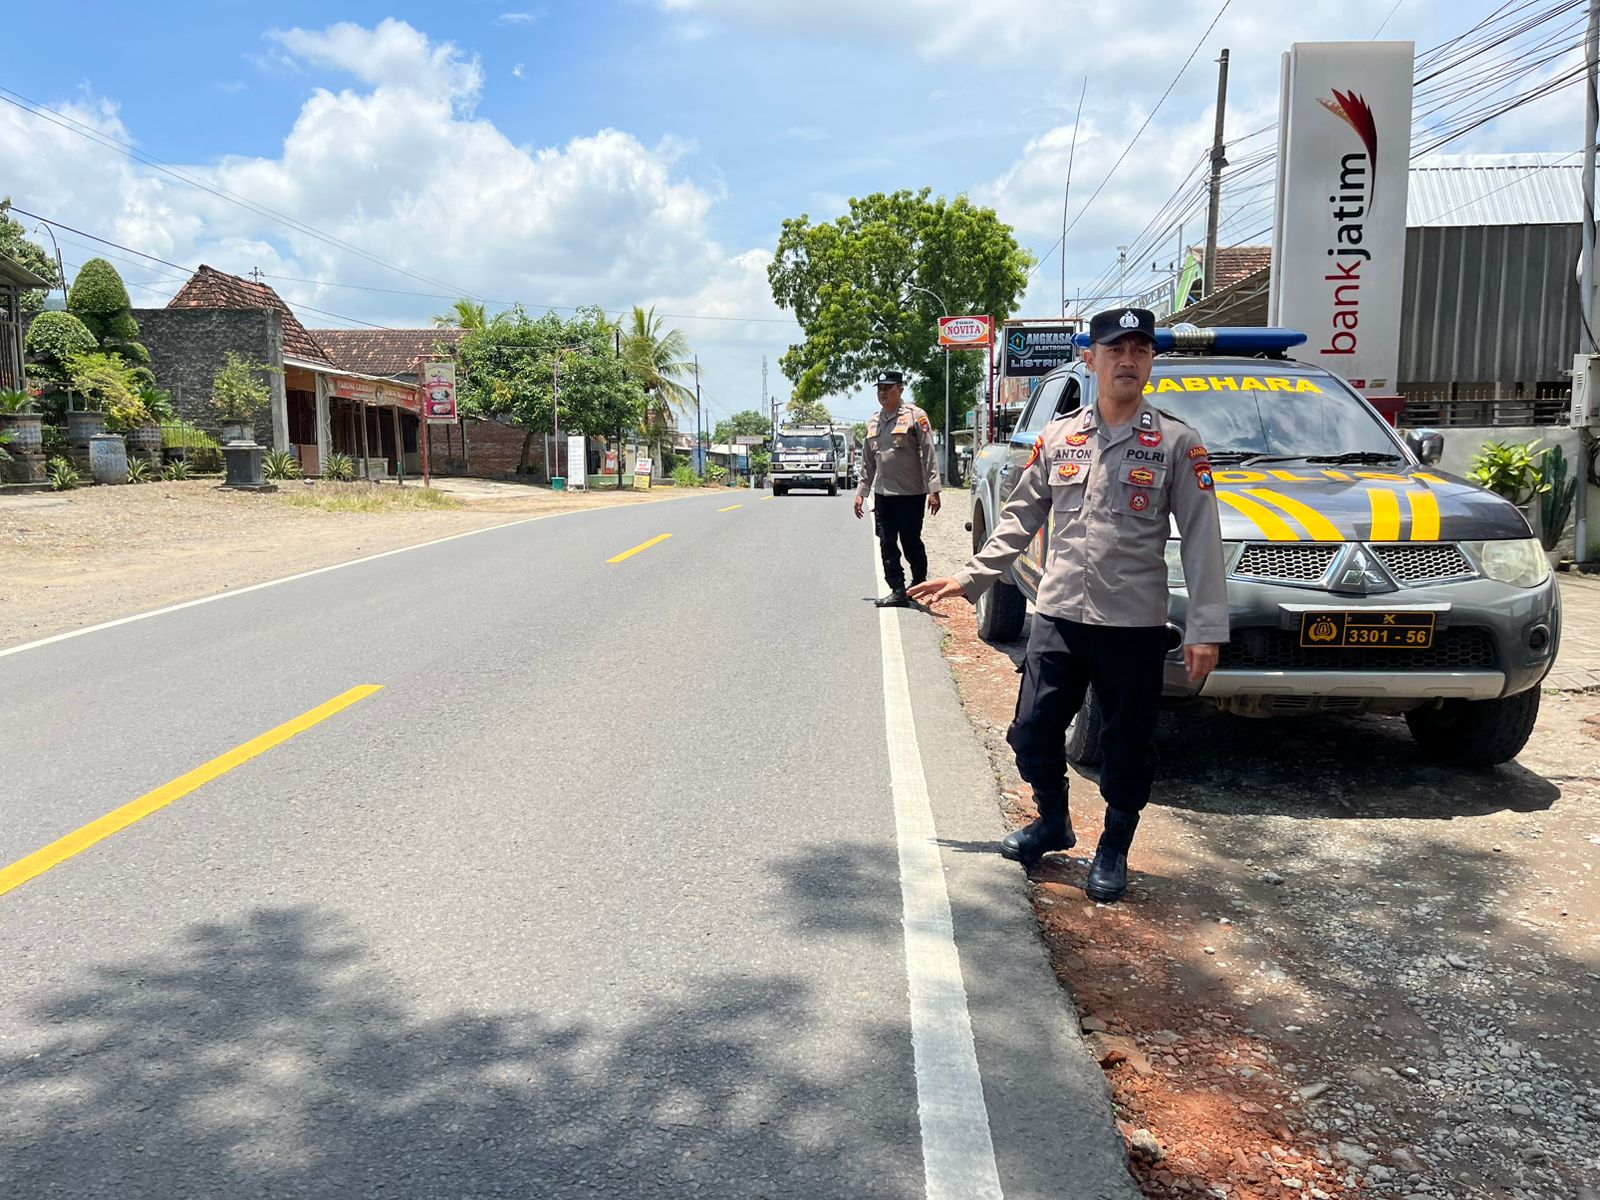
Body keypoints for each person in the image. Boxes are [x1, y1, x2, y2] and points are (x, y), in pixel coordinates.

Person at [910, 309, 1228, 904]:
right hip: (1057, 615)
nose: (1127, 359)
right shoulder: (1058, 439)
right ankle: (1052, 822)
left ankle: (1113, 848)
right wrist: (971, 577)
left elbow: (1204, 539)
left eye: (1140, 349)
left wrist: (1206, 629)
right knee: (1031, 732)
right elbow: (1020, 518)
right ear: (1091, 359)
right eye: (1116, 349)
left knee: (1127, 748)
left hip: (1132, 626)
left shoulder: (1178, 445)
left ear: (1152, 360)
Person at [855, 370, 942, 608]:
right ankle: (897, 590)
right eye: (880, 388)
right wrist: (861, 493)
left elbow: (929, 454)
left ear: (900, 390)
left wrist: (934, 490)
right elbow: (868, 462)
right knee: (886, 543)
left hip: (911, 494)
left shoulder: (916, 416)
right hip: (883, 495)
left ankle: (919, 582)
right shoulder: (874, 421)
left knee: (911, 541)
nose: (883, 393)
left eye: (888, 388)